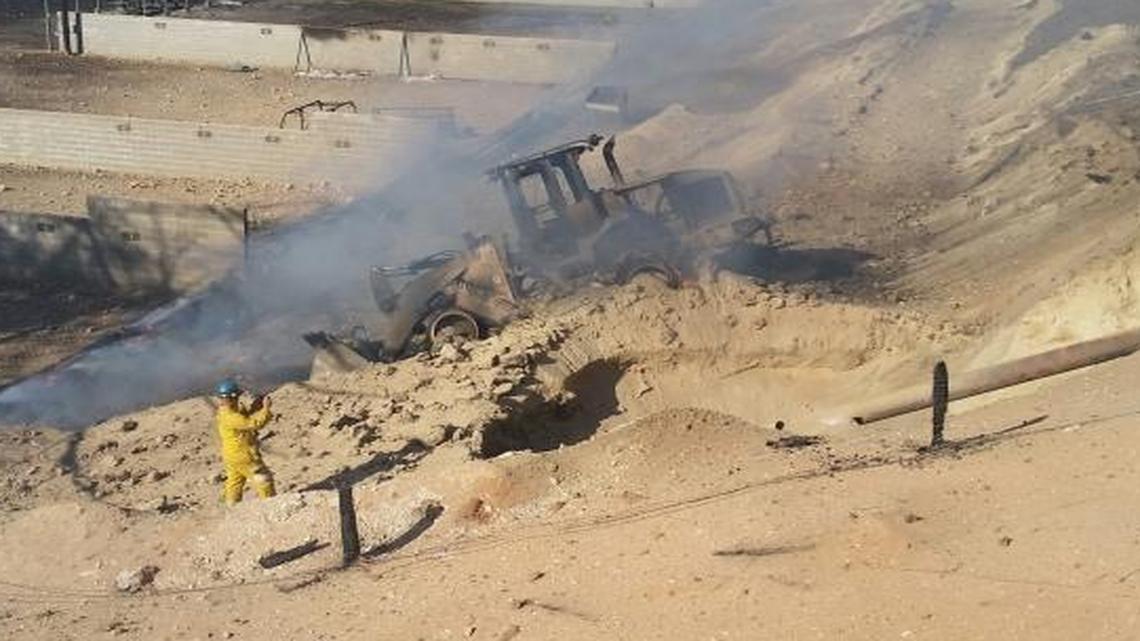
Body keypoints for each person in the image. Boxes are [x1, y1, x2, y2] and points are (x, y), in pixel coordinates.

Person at [214, 378, 276, 505]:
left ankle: (231, 506)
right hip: (244, 455)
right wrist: (266, 409)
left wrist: (254, 407)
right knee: (263, 480)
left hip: (231, 456)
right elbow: (254, 423)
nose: (238, 399)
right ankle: (271, 505)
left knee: (235, 482)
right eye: (236, 397)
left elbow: (243, 416)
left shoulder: (225, 411)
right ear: (232, 398)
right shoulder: (232, 417)